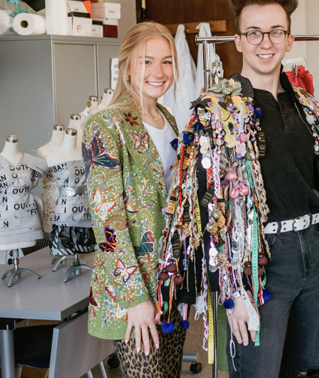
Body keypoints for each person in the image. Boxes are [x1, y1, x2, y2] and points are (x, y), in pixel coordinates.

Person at [163, 0, 319, 378]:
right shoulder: (215, 111)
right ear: (239, 42)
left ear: (289, 39)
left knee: (307, 369)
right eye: (254, 33)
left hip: (311, 251)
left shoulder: (308, 108)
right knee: (259, 370)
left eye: (276, 32)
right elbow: (203, 206)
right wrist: (234, 286)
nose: (266, 42)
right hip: (257, 260)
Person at [84, 22, 185, 377]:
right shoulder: (106, 125)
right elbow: (107, 220)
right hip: (134, 286)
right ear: (126, 66)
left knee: (170, 373)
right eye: (147, 61)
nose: (158, 72)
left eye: (167, 61)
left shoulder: (168, 119)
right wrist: (135, 298)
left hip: (171, 278)